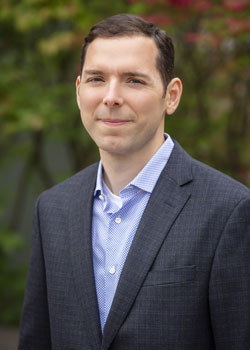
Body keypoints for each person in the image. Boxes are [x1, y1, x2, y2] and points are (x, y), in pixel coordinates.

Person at [18, 13, 250, 350]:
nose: (111, 97)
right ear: (79, 90)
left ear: (171, 96)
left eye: (134, 80)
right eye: (97, 78)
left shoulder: (230, 211)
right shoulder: (52, 208)